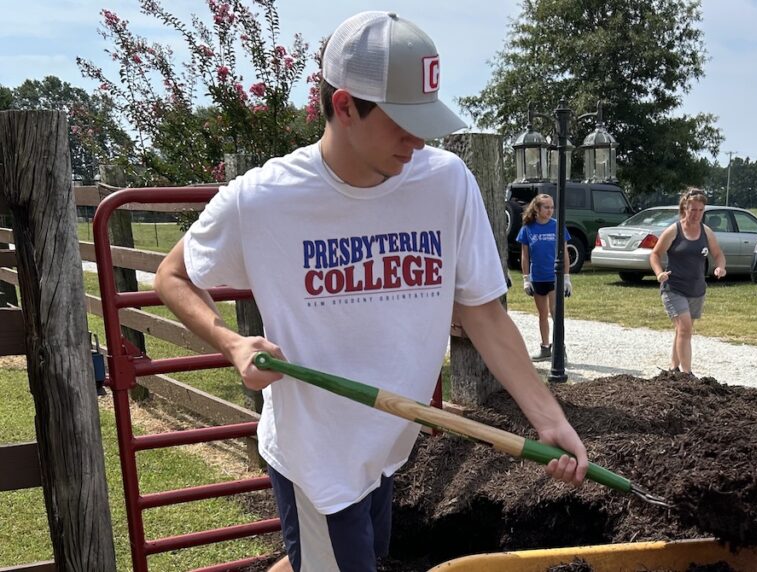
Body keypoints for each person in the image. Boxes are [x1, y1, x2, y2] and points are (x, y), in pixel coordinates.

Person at [153, 11, 588, 572]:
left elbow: (483, 312)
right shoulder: (264, 199)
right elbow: (172, 276)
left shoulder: (445, 181)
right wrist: (232, 344)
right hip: (318, 460)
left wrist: (548, 419)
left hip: (388, 446)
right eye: (401, 121)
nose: (418, 139)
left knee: (325, 560)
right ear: (344, 107)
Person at [649, 189, 726, 382]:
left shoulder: (706, 232)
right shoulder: (674, 230)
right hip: (673, 287)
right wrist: (659, 273)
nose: (696, 214)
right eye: (693, 210)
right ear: (685, 208)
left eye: (700, 210)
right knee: (685, 329)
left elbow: (718, 254)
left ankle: (673, 369)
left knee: (682, 330)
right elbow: (655, 254)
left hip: (697, 289)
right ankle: (687, 374)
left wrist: (720, 267)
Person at [517, 194, 572, 361]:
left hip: (554, 276)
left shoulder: (557, 226)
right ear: (537, 209)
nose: (550, 211)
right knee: (542, 314)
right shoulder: (528, 228)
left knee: (555, 313)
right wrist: (526, 278)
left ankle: (559, 349)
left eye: (552, 207)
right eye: (546, 207)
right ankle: (545, 347)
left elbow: (565, 253)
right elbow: (525, 255)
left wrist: (567, 277)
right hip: (537, 277)